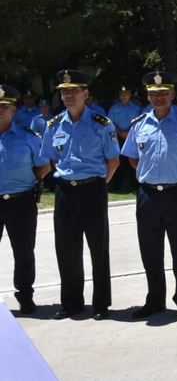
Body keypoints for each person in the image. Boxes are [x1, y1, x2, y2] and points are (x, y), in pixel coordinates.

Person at [121, 71, 177, 321]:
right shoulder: (139, 124)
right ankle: (155, 300)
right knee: (151, 252)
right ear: (147, 95)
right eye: (153, 93)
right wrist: (153, 177)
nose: (158, 97)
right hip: (148, 196)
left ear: (173, 94)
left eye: (163, 92)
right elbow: (133, 158)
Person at [39, 69, 120, 321]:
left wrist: (96, 184)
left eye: (74, 90)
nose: (68, 95)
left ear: (86, 93)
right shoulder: (53, 125)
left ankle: (100, 304)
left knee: (99, 248)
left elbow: (114, 161)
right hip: (65, 191)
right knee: (66, 249)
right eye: (64, 91)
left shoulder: (101, 124)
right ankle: (71, 303)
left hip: (93, 190)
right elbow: (52, 157)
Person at [0, 85, 50, 315]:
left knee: (23, 252)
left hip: (21, 202)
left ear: (14, 109)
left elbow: (44, 165)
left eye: (4, 106)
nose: (0, 110)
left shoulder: (28, 137)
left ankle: (25, 295)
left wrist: (30, 181)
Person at [107, 86, 143, 191]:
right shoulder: (114, 108)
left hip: (132, 137)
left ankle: (135, 186)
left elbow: (139, 122)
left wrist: (129, 132)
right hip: (118, 137)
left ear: (130, 95)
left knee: (133, 160)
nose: (124, 96)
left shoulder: (137, 108)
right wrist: (120, 132)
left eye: (126, 94)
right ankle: (117, 187)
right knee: (119, 162)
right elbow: (110, 122)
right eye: (122, 94)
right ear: (119, 95)